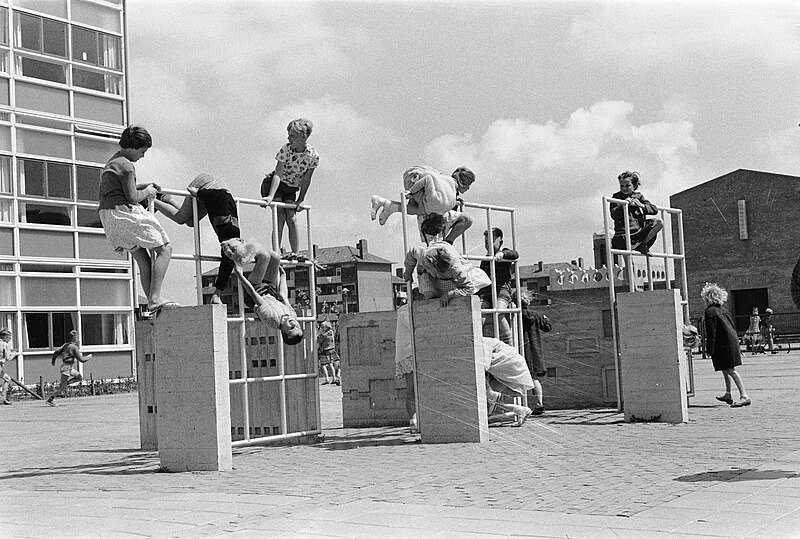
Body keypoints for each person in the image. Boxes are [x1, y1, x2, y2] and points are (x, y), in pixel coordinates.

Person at [98, 125, 175, 313]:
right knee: (165, 249)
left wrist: (143, 186)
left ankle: (152, 300)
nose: (143, 155)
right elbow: (132, 198)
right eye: (143, 151)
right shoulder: (126, 166)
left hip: (109, 216)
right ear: (134, 147)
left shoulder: (113, 162)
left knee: (143, 257)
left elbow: (121, 189)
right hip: (122, 212)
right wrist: (149, 191)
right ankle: (155, 298)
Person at [154, 173, 240, 305]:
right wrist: (200, 193)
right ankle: (151, 199)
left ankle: (166, 199)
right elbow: (221, 197)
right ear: (239, 242)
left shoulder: (233, 242)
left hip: (213, 190)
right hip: (207, 186)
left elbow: (227, 265)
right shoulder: (226, 226)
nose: (226, 248)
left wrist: (217, 293)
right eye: (229, 248)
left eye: (227, 251)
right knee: (180, 218)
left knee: (190, 221)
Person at [222, 239, 304, 345]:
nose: (294, 323)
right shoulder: (293, 316)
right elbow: (283, 296)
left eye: (291, 328)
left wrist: (240, 276)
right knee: (275, 257)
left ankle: (235, 253)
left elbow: (254, 295)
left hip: (256, 291)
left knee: (264, 256)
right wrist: (283, 276)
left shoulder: (272, 319)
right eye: (297, 325)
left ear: (283, 331)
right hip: (269, 290)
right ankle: (240, 248)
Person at [402, 213, 491, 306]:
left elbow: (469, 288)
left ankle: (435, 292)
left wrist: (449, 295)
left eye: (430, 269)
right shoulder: (423, 254)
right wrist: (408, 272)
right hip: (438, 259)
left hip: (454, 278)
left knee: (455, 290)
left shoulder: (455, 267)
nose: (428, 271)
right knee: (422, 270)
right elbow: (412, 252)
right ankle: (426, 294)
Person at [371, 166, 475, 244]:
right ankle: (389, 206)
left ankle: (389, 206)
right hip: (415, 175)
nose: (469, 189)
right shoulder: (439, 202)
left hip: (425, 173)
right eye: (468, 185)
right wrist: (411, 191)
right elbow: (428, 179)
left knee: (421, 208)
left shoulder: (449, 192)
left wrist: (456, 199)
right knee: (421, 209)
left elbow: (437, 185)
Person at [261, 119, 319, 256]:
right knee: (280, 215)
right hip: (274, 185)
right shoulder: (285, 149)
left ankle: (295, 253)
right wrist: (270, 196)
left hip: (291, 188)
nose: (289, 138)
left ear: (303, 137)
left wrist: (301, 199)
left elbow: (306, 179)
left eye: (292, 136)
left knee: (291, 218)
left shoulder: (312, 156)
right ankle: (276, 252)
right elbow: (278, 173)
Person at [701, 283, 751, 407]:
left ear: (708, 298)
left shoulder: (710, 311)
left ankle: (744, 395)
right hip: (731, 342)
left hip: (722, 344)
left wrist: (709, 349)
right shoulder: (723, 310)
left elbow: (711, 332)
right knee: (726, 369)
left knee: (730, 370)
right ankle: (728, 393)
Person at [479, 227, 519, 345]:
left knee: (499, 310)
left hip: (502, 290)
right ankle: (477, 341)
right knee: (480, 314)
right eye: (486, 242)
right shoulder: (485, 259)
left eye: (491, 241)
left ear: (500, 241)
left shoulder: (504, 253)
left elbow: (515, 254)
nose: (488, 244)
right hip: (488, 293)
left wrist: (502, 254)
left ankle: (509, 343)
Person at [610, 170, 663, 256]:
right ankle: (628, 267)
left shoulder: (638, 196)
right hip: (623, 235)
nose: (624, 188)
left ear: (634, 186)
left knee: (659, 222)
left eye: (628, 185)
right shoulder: (616, 197)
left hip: (638, 232)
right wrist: (624, 205)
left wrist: (641, 205)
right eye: (621, 186)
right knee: (628, 262)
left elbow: (654, 209)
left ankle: (643, 244)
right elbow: (614, 215)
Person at [520, 292, 551, 415]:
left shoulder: (516, 314)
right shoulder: (536, 315)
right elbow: (547, 327)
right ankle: (539, 403)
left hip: (521, 349)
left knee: (519, 377)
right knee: (534, 378)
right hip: (535, 351)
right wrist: (544, 318)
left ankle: (522, 405)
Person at [46, 331, 92, 407]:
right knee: (61, 388)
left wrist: (53, 360)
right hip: (66, 368)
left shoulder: (66, 345)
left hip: (69, 367)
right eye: (77, 337)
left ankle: (66, 383)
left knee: (79, 377)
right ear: (74, 337)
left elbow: (57, 351)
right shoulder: (74, 347)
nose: (78, 339)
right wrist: (89, 356)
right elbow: (82, 360)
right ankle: (50, 400)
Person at [317, 320, 340, 385]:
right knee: (331, 364)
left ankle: (327, 379)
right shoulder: (331, 332)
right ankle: (334, 378)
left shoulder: (324, 335)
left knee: (323, 365)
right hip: (332, 349)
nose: (321, 328)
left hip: (325, 350)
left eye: (322, 327)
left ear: (325, 327)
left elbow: (318, 341)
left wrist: (319, 335)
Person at [0, 328, 19, 405]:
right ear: (4, 337)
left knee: (7, 378)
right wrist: (14, 354)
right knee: (7, 379)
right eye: (9, 338)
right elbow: (8, 358)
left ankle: (3, 398)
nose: (10, 340)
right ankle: (2, 397)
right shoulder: (5, 345)